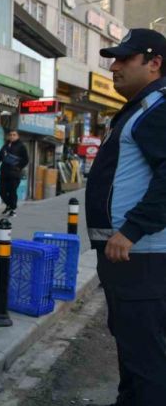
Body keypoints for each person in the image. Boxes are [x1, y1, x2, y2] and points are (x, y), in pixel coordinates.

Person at [85, 28, 166, 405]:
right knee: (133, 355)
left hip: (142, 258)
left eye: (123, 59)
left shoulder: (157, 108)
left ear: (154, 64)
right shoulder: (138, 108)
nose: (113, 67)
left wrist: (132, 230)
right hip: (128, 259)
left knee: (147, 362)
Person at [0, 129, 28, 217]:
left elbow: (26, 160)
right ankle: (9, 206)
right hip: (4, 173)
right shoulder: (5, 145)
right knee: (1, 191)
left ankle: (13, 209)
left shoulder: (21, 146)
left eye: (14, 135)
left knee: (12, 192)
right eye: (10, 135)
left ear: (18, 136)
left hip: (14, 174)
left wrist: (18, 167)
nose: (12, 136)